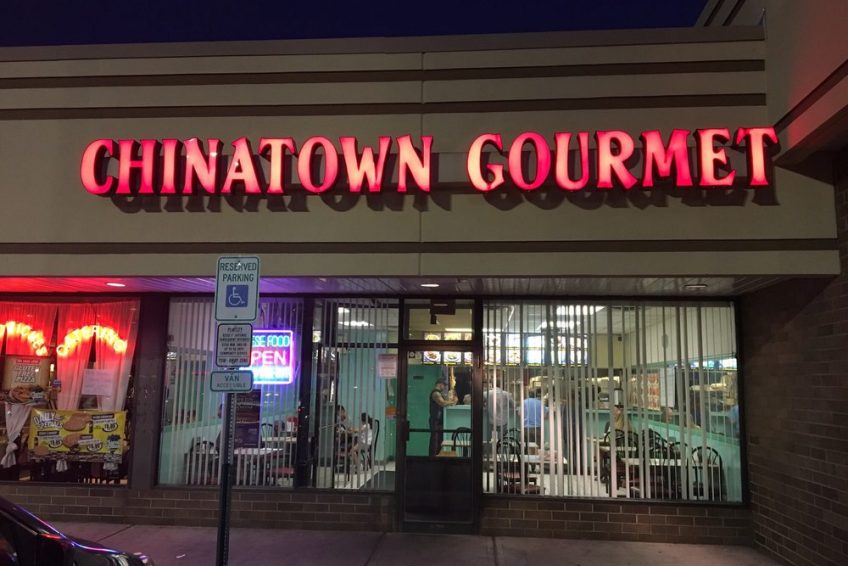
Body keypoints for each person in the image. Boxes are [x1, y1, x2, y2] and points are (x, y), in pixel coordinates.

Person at [429, 375, 457, 456]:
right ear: (439, 384)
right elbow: (443, 403)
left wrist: (452, 398)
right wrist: (453, 402)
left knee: (439, 441)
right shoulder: (435, 393)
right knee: (435, 441)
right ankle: (432, 458)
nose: (444, 387)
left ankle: (437, 456)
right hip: (435, 420)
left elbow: (447, 400)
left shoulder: (440, 394)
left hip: (439, 421)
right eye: (444, 385)